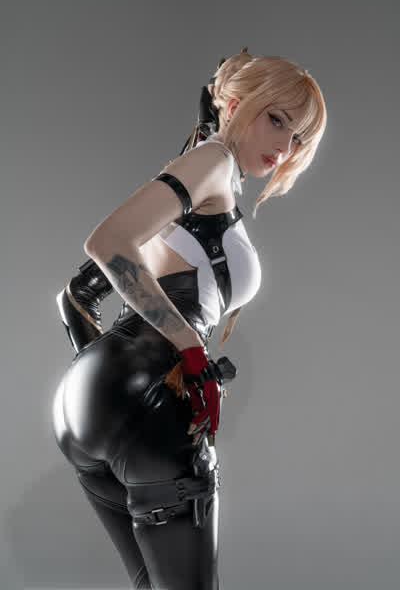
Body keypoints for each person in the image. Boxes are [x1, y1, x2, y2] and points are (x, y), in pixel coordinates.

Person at [52, 47, 327, 589]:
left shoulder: (202, 169)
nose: (283, 147)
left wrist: (112, 388)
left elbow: (73, 297)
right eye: (277, 119)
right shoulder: (213, 163)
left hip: (85, 401)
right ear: (234, 104)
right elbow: (108, 243)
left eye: (297, 138)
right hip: (148, 392)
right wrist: (190, 352)